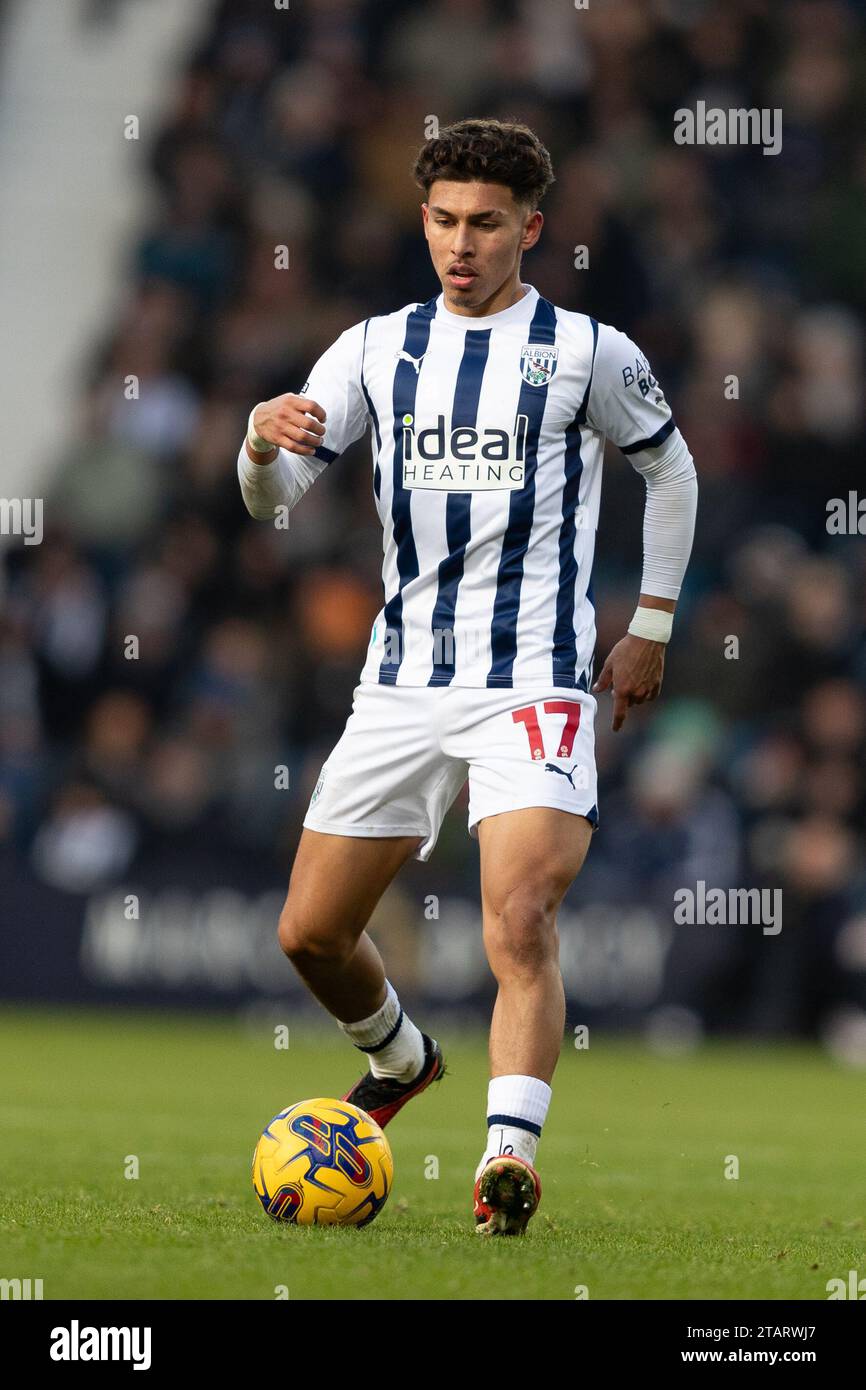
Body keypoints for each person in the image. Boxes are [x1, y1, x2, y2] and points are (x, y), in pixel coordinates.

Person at [237, 118, 698, 1235]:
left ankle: (507, 1161)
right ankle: (399, 1059)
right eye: (443, 219)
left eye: (484, 223)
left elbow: (668, 468)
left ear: (528, 229)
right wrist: (257, 447)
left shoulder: (586, 352)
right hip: (399, 685)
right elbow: (277, 502)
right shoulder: (369, 350)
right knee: (308, 936)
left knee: (519, 915)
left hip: (532, 682)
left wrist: (651, 623)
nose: (460, 242)